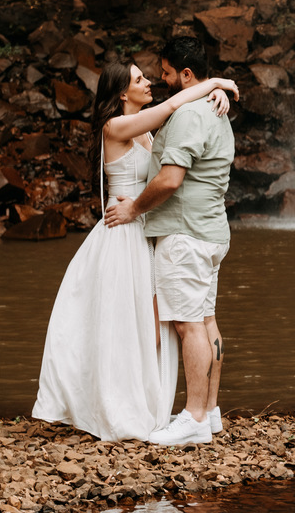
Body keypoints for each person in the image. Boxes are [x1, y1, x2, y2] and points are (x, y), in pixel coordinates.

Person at [32, 60, 239, 442]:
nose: (149, 82)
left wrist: (214, 94)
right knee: (125, 323)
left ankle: (147, 403)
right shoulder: (116, 127)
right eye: (139, 79)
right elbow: (174, 106)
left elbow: (181, 111)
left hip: (146, 230)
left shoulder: (146, 131)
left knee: (153, 326)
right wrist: (219, 81)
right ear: (122, 93)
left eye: (146, 75)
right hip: (122, 232)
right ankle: (112, 404)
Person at [104, 36, 235, 446]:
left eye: (163, 72)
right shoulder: (214, 110)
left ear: (186, 74)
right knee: (206, 320)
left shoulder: (188, 114)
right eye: (148, 76)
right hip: (212, 231)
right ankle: (209, 411)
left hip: (184, 233)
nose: (159, 80)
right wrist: (217, 85)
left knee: (188, 324)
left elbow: (170, 178)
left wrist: (134, 209)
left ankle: (194, 417)